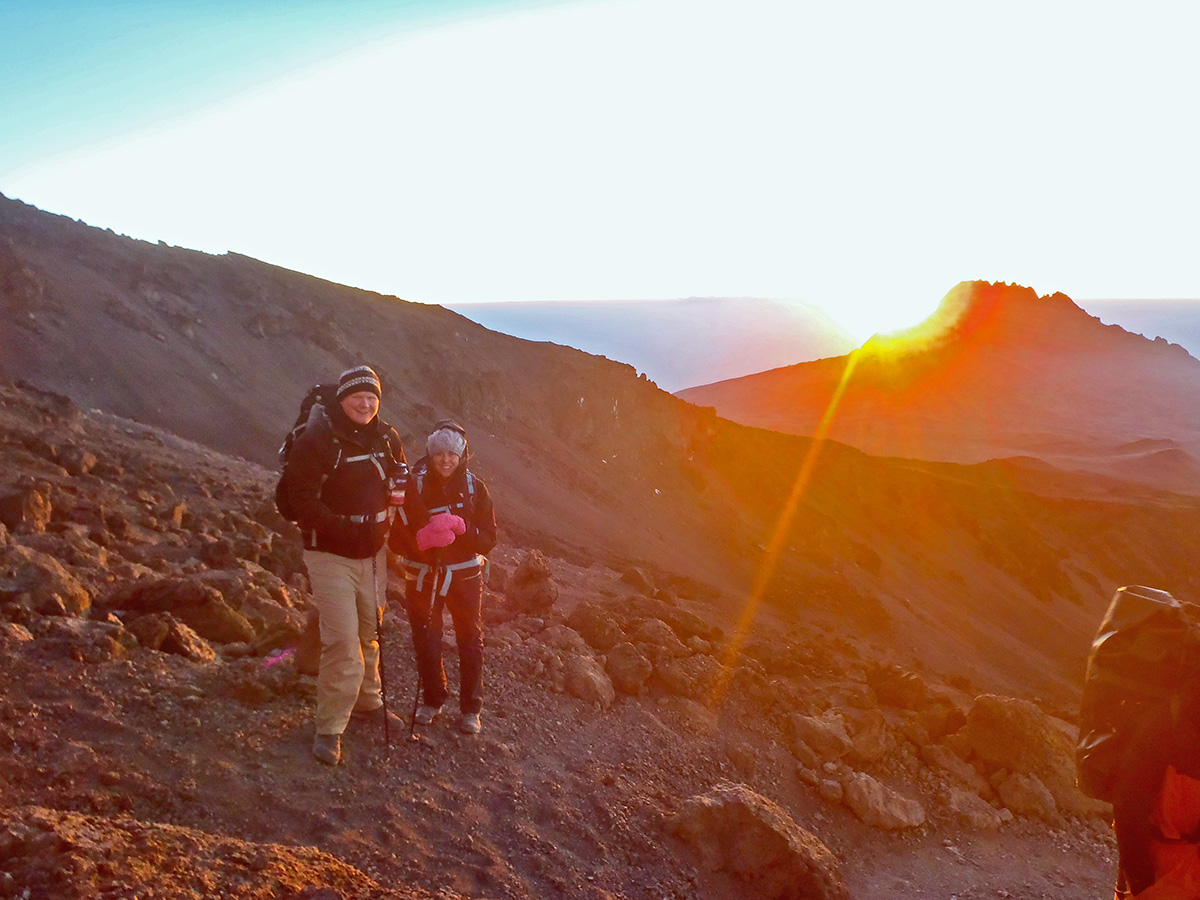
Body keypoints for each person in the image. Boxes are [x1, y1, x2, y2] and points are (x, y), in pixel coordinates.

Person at [278, 365, 407, 765]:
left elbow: (399, 485)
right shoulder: (319, 440)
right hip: (330, 553)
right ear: (342, 398)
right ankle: (330, 728)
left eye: (372, 397)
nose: (365, 403)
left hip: (372, 552)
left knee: (370, 627)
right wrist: (338, 529)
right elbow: (297, 497)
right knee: (343, 640)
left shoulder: (386, 438)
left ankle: (368, 700)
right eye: (357, 396)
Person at [390, 420, 496, 735]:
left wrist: (464, 530)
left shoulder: (476, 488)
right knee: (426, 637)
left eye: (452, 453)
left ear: (462, 454)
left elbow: (489, 538)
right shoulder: (413, 485)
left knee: (469, 639)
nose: (446, 460)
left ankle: (470, 709)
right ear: (431, 453)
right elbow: (396, 537)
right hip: (423, 575)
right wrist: (422, 540)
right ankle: (433, 698)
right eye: (440, 454)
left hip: (464, 576)